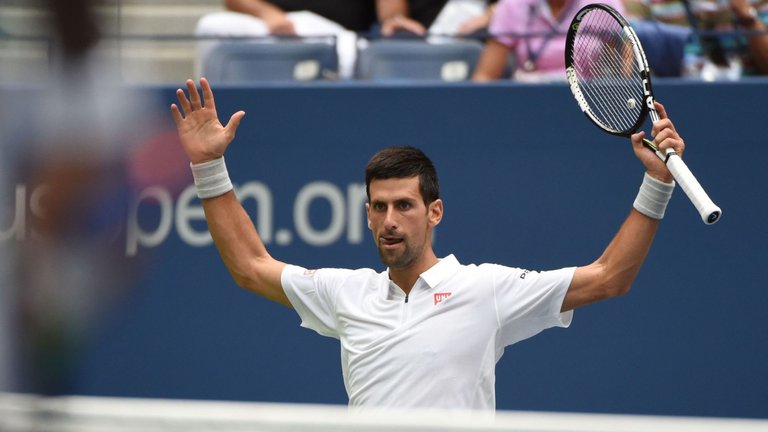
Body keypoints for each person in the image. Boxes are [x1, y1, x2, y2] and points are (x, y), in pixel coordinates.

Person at [170, 77, 684, 410]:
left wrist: (658, 184)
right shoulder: (345, 294)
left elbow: (610, 277)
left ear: (434, 212)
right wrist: (207, 166)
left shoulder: (487, 289)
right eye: (379, 207)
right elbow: (249, 265)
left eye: (405, 206)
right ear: (367, 216)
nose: (390, 220)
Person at [195, 0, 380, 79]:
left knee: (352, 53)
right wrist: (268, 13)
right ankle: (206, 113)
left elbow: (391, 15)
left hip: (342, 33)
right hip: (273, 25)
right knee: (211, 26)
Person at [472, 0, 626, 82]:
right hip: (528, 99)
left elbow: (623, 73)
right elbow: (484, 76)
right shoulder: (512, 5)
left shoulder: (606, 3)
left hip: (589, 101)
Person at [624, 0, 768, 78]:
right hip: (679, 105)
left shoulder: (760, 3)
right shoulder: (642, 4)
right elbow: (625, 75)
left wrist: (748, 19)